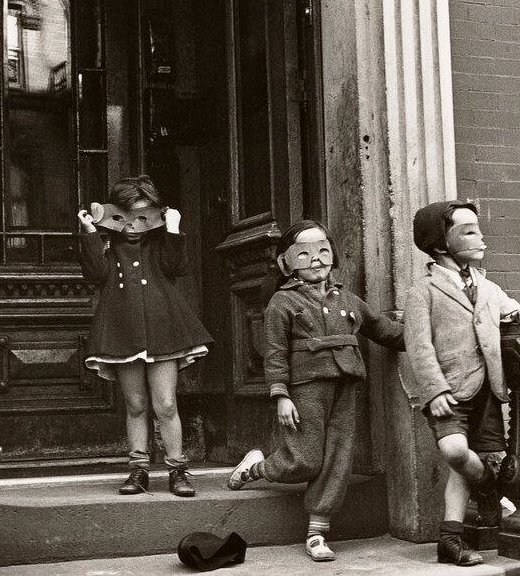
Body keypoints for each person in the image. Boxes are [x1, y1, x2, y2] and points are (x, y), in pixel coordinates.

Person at [226, 220, 405, 561]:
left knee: (337, 458)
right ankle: (256, 468)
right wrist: (281, 395)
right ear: (287, 263)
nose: (316, 259)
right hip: (306, 389)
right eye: (304, 254)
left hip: (346, 385)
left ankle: (317, 533)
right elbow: (275, 352)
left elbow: (385, 331)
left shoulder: (347, 299)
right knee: (306, 459)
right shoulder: (283, 302)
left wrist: (428, 335)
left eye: (322, 250)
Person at [400, 200, 520, 566]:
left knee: (464, 463)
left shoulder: (487, 286)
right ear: (441, 244)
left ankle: (449, 540)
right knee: (455, 452)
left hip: (487, 389)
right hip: (449, 392)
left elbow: (510, 309)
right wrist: (434, 390)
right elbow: (419, 346)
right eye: (468, 231)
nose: (480, 237)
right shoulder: (422, 291)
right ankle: (487, 485)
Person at [77, 175, 213, 497]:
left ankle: (177, 470)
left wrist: (174, 229)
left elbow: (176, 267)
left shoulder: (159, 239)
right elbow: (96, 274)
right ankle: (138, 470)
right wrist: (90, 233)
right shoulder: (107, 241)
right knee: (135, 403)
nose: (132, 226)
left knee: (165, 404)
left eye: (141, 216)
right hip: (123, 330)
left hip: (163, 328)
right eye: (124, 216)